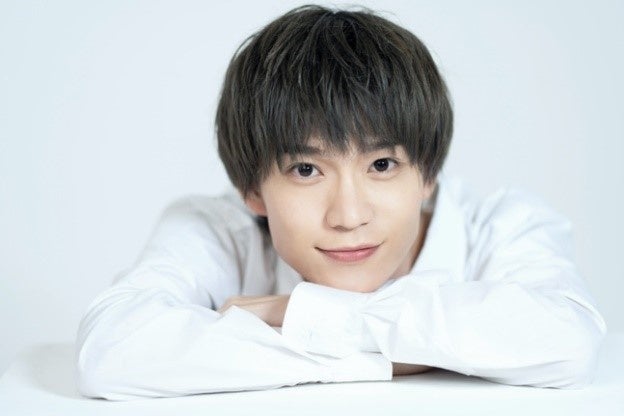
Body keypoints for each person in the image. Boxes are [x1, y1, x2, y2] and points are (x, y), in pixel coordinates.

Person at [75, 5, 606, 400]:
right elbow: (112, 352)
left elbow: (567, 342)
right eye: (306, 170)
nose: (349, 216)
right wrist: (396, 357)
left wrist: (295, 315)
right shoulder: (217, 228)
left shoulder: (502, 225)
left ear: (428, 173)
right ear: (252, 189)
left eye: (382, 165)